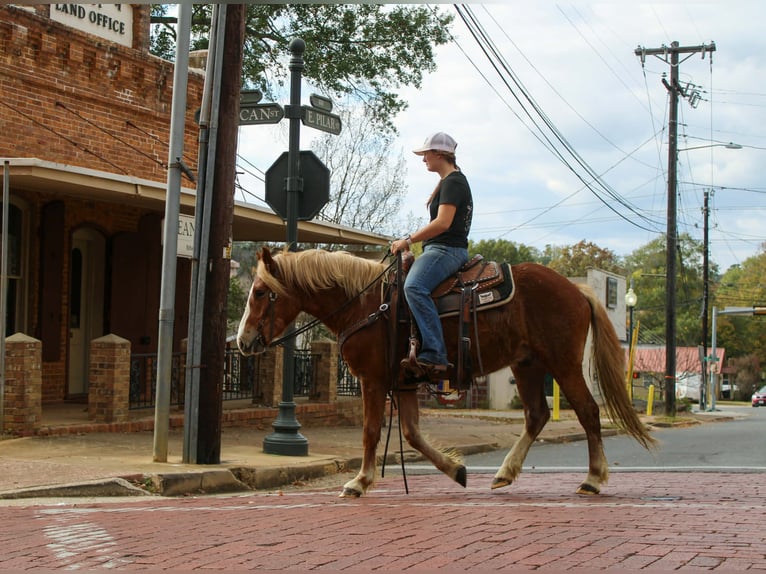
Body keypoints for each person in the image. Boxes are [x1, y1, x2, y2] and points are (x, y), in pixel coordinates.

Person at [390, 132, 473, 379]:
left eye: (425, 154)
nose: (423, 158)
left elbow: (443, 223)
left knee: (414, 287)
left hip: (446, 249)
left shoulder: (453, 182)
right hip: (440, 248)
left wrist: (408, 240)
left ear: (439, 154)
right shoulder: (450, 181)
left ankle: (435, 352)